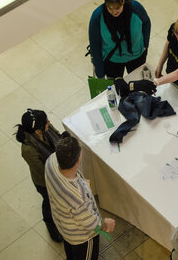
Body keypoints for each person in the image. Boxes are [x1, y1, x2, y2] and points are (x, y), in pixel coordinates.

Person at [45, 133, 116, 260]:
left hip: (64, 226)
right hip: (82, 238)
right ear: (78, 159)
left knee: (70, 253)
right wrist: (105, 224)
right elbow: (90, 223)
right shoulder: (77, 195)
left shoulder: (50, 161)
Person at [15, 109, 62, 243]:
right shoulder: (28, 149)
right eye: (46, 122)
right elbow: (43, 172)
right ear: (37, 131)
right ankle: (50, 225)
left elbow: (58, 136)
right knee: (49, 202)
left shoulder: (45, 128)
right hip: (45, 182)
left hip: (58, 168)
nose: (49, 122)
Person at [89, 0, 151, 78]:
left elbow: (146, 23)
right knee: (115, 89)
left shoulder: (136, 8)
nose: (114, 12)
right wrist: (99, 71)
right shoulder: (98, 17)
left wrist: (145, 45)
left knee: (138, 84)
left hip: (137, 56)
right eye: (110, 8)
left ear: (123, 1)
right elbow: (95, 44)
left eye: (117, 7)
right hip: (113, 61)